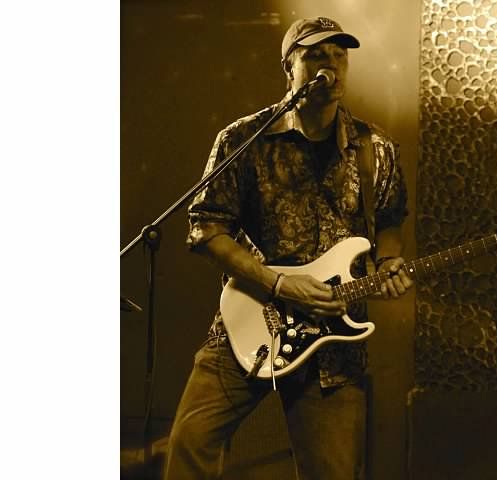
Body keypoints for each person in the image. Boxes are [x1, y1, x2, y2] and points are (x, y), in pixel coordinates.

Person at [164, 16, 413, 480]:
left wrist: (388, 261)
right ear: (289, 67)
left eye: (339, 54)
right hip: (251, 318)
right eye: (316, 55)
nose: (330, 65)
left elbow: (390, 220)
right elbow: (206, 229)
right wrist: (278, 284)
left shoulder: (375, 147)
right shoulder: (244, 140)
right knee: (189, 444)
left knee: (333, 473)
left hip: (333, 346)